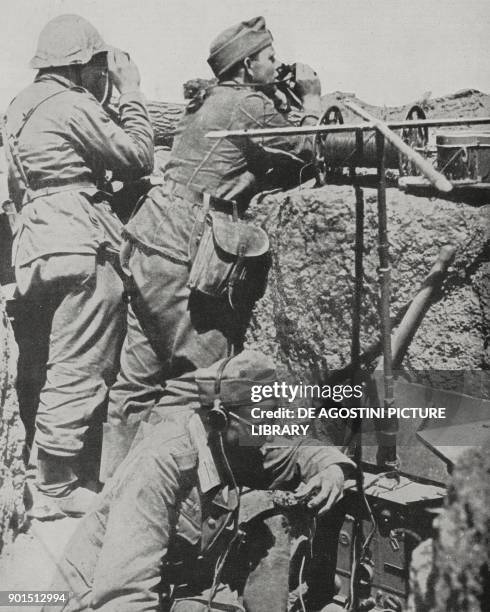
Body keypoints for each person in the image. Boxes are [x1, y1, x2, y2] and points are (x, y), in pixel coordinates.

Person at [105, 16, 323, 462]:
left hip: (151, 238)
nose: (277, 65)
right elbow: (305, 148)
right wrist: (312, 100)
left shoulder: (211, 100)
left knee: (138, 377)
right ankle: (169, 485)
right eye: (270, 58)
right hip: (182, 246)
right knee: (207, 375)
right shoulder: (248, 104)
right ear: (246, 67)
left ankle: (115, 487)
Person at [47, 350, 354, 612]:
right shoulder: (161, 464)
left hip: (178, 584)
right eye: (264, 420)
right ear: (221, 418)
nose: (270, 432)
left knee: (268, 516)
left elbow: (297, 451)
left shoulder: (232, 438)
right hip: (95, 599)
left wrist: (331, 469)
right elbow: (125, 593)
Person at [3, 14, 154, 518]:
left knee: (42, 363)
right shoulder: (72, 104)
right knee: (78, 365)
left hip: (37, 245)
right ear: (80, 65)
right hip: (79, 246)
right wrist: (130, 94)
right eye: (96, 66)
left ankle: (36, 468)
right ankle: (56, 488)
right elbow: (137, 156)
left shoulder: (21, 106)